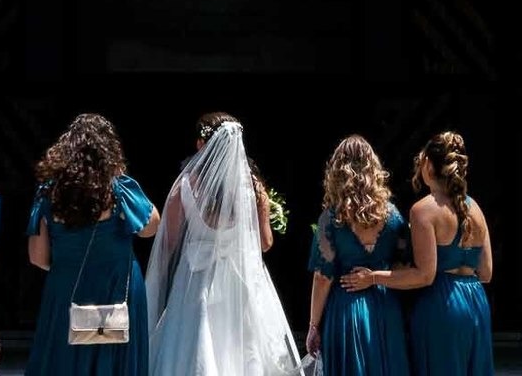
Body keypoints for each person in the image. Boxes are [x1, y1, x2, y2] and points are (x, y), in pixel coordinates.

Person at [147, 112, 300, 376]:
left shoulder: (186, 186)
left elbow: (168, 245)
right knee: (243, 346)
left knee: (196, 343)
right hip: (240, 279)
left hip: (197, 280)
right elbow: (265, 243)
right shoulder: (253, 188)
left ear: (201, 143)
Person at [341, 130, 493, 376]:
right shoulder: (475, 208)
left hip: (441, 307)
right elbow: (486, 273)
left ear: (429, 165)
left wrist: (372, 277)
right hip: (476, 302)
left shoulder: (423, 210)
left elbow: (424, 276)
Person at [25, 112, 158, 376]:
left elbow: (37, 257)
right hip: (117, 288)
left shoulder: (49, 193)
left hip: (66, 289)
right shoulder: (120, 190)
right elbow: (150, 228)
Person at [306, 136, 410, 376]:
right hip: (386, 307)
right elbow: (403, 265)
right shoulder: (394, 217)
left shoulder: (330, 219)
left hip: (346, 310)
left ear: (337, 171)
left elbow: (323, 278)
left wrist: (313, 326)